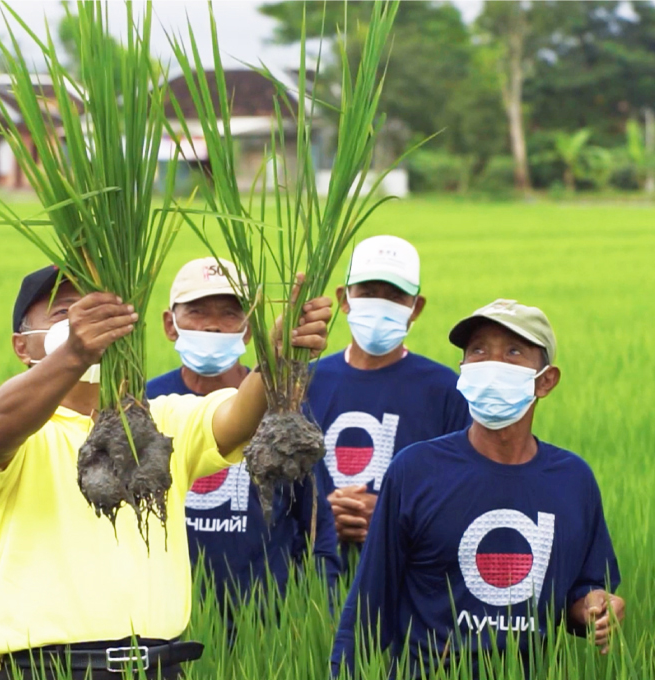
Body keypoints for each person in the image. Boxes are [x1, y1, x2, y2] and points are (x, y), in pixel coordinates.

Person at [0, 265, 333, 679]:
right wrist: (73, 354)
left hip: (156, 667)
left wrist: (277, 353)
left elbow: (236, 418)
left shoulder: (159, 420)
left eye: (99, 310)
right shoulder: (0, 424)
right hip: (46, 669)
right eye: (65, 312)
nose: (86, 323)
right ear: (21, 345)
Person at [332, 299, 624, 678]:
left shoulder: (572, 480)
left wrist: (597, 607)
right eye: (479, 351)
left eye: (514, 351)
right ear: (463, 371)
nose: (492, 363)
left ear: (546, 381)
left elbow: (584, 591)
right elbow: (370, 600)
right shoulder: (415, 470)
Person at [147, 257, 340, 611]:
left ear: (249, 329)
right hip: (165, 617)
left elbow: (316, 522)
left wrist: (324, 611)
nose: (214, 327)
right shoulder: (147, 404)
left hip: (265, 618)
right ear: (169, 324)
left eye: (230, 314)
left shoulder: (284, 407)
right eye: (198, 312)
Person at [306, 235, 469, 564]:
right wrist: (321, 517)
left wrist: (392, 514)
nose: (380, 304)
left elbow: (464, 493)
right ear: (344, 299)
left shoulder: (447, 390)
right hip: (314, 574)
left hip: (406, 576)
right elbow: (272, 488)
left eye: (395, 296)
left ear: (416, 307)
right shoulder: (305, 383)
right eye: (368, 293)